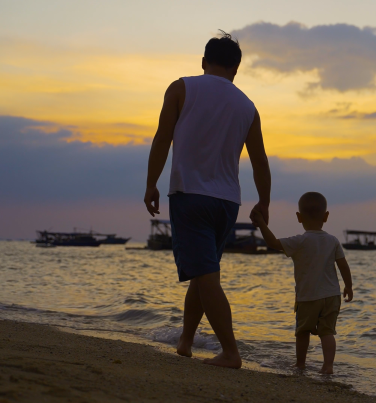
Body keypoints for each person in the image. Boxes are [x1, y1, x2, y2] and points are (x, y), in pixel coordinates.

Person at [144, 31, 271, 369]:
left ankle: (231, 352)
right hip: (227, 202)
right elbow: (260, 161)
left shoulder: (182, 87)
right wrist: (265, 202)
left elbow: (162, 138)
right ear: (236, 68)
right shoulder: (247, 106)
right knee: (204, 272)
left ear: (204, 62)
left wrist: (151, 184)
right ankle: (186, 342)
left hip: (190, 195)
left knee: (206, 275)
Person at [250, 192, 353, 374]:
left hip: (308, 297)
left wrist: (262, 224)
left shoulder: (299, 241)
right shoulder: (333, 240)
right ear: (326, 216)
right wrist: (349, 286)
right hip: (332, 296)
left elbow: (273, 242)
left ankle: (300, 364)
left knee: (303, 331)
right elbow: (343, 265)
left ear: (299, 217)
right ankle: (328, 366)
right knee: (327, 332)